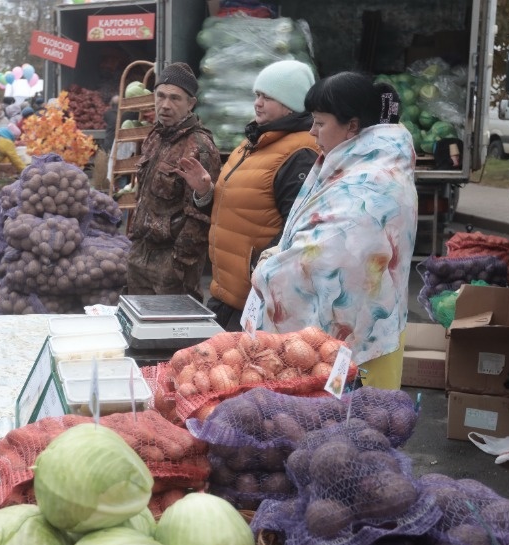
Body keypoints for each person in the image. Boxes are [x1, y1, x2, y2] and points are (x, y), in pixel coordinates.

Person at [250, 71, 418, 390]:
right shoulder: (369, 163)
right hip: (368, 335)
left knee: (345, 434)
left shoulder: (371, 183)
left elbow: (331, 256)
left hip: (352, 354)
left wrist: (269, 271)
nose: (312, 131)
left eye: (320, 122)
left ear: (351, 126)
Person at [175, 60, 320, 331]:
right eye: (257, 95)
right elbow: (239, 210)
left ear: (290, 104)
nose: (258, 103)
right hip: (228, 293)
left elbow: (297, 229)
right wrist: (205, 192)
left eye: (268, 97)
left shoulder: (300, 153)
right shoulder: (253, 142)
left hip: (257, 300)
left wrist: (260, 270)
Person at [125, 62, 221, 302]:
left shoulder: (200, 147)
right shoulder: (154, 137)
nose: (166, 105)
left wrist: (179, 263)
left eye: (175, 98)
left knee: (175, 334)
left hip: (172, 263)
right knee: (140, 328)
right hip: (140, 254)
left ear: (190, 104)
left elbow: (201, 215)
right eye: (161, 96)